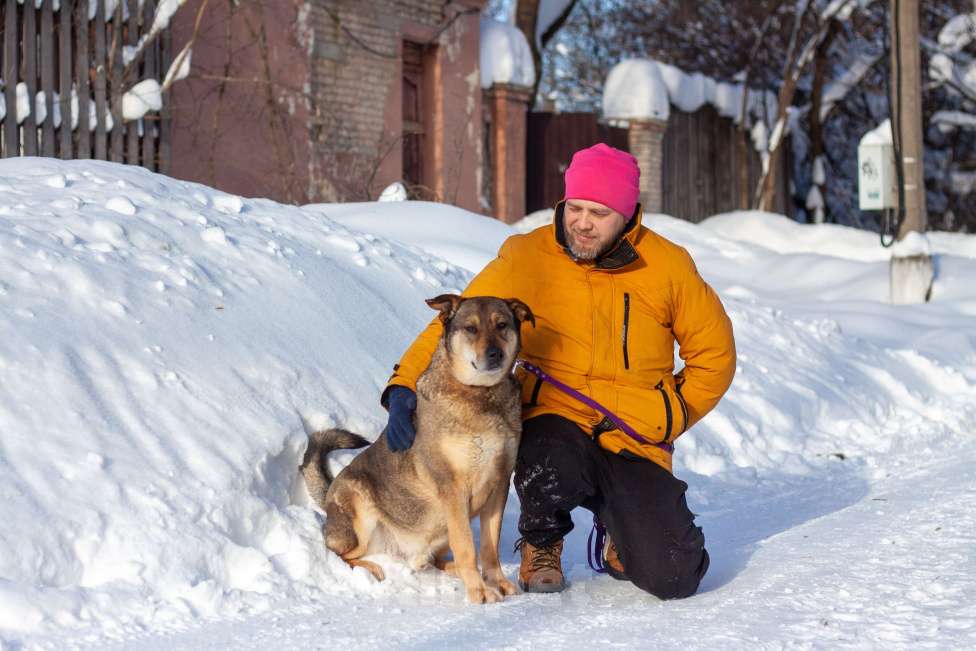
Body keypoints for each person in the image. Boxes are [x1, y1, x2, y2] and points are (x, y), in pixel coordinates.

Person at [380, 143, 736, 599]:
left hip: (634, 431)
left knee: (674, 577)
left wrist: (673, 412)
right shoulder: (528, 256)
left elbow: (716, 354)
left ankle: (620, 533)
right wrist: (404, 386)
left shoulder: (668, 266)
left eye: (599, 212)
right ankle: (541, 540)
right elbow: (456, 323)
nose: (582, 222)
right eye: (576, 208)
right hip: (556, 423)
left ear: (626, 216)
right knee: (545, 455)